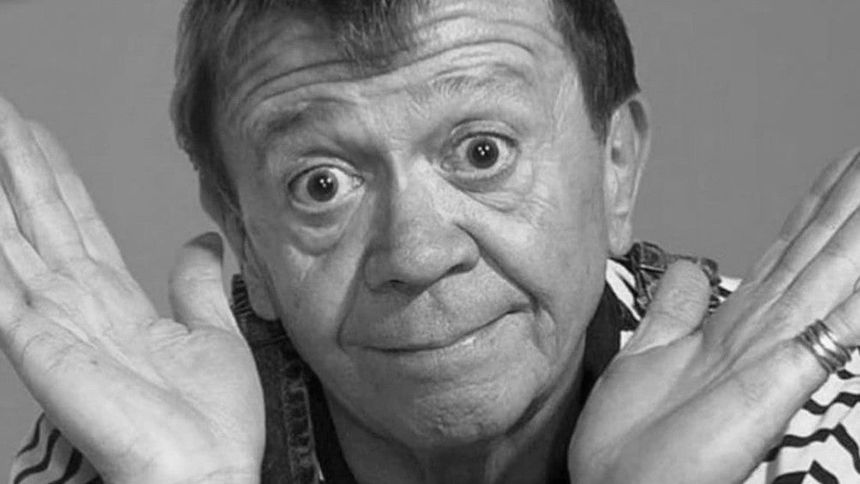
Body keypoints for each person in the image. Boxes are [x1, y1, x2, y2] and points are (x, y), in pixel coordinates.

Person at [4, 0, 860, 482]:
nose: (416, 256)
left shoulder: (805, 415)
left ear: (615, 166)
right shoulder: (137, 445)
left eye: (483, 153)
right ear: (246, 240)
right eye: (321, 184)